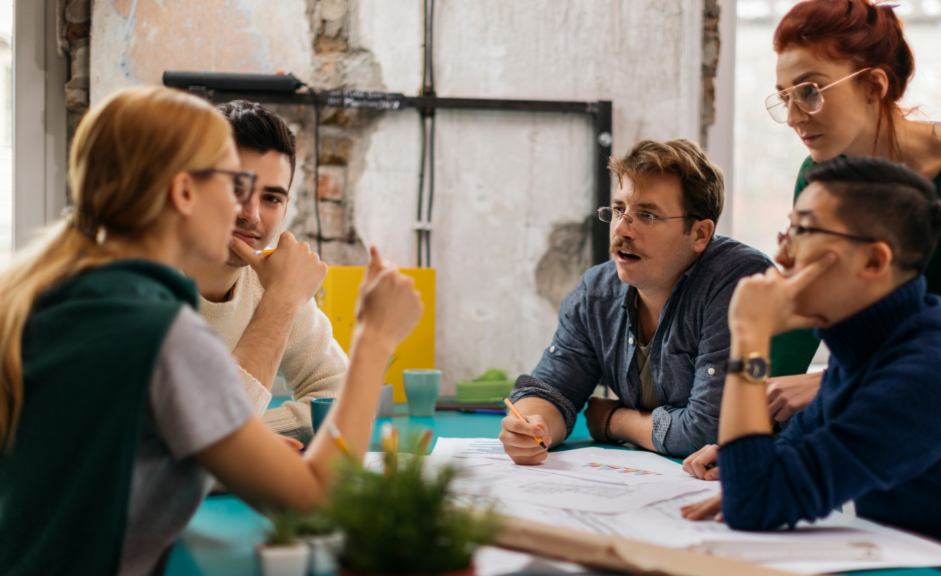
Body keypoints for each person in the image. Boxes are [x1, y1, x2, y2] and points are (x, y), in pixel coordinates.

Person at [0, 86, 423, 576]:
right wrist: (375, 339)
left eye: (268, 196)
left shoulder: (52, 293)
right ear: (184, 192)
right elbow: (317, 500)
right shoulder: (162, 332)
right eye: (232, 185)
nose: (247, 213)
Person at [681, 157, 941, 576]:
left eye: (803, 232)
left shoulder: (926, 372)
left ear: (874, 262)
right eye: (787, 231)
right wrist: (748, 466)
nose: (781, 256)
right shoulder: (873, 337)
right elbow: (786, 458)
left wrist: (749, 340)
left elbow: (754, 504)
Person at [764, 0, 941, 422]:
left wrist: (829, 381)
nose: (793, 117)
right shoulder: (818, 177)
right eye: (784, 97)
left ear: (874, 85)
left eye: (810, 92)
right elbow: (800, 307)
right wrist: (747, 426)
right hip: (896, 345)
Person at [501, 139, 812, 463]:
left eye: (647, 215)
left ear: (700, 235)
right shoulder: (596, 292)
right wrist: (530, 425)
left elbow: (711, 429)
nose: (621, 228)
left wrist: (614, 421)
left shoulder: (738, 280)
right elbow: (552, 390)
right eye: (619, 209)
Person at [184, 100, 343, 443]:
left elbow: (340, 394)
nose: (252, 215)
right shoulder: (135, 285)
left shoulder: (268, 279)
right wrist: (283, 300)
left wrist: (250, 442)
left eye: (271, 198)